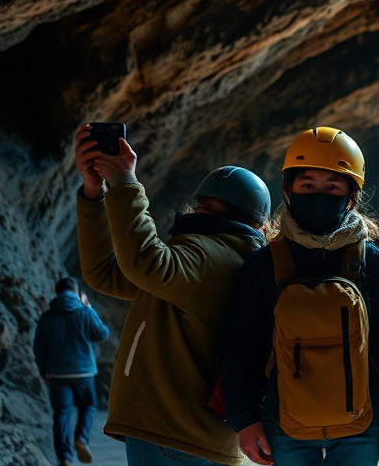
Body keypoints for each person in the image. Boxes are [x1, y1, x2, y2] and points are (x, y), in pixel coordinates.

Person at [74, 123, 271, 466]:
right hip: (204, 438)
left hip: (171, 433)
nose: (195, 212)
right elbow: (108, 273)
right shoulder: (227, 262)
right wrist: (95, 193)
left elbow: (144, 262)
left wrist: (123, 182)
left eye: (204, 207)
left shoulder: (206, 255)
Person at [221, 126, 379, 466]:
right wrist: (244, 419)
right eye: (307, 185)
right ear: (288, 190)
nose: (319, 194)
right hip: (284, 422)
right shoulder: (263, 264)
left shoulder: (371, 261)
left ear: (351, 196)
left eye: (332, 186)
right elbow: (241, 345)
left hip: (361, 423)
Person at [34, 277, 110, 466]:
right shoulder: (84, 312)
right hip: (83, 372)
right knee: (88, 406)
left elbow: (39, 348)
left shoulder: (47, 316)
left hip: (57, 374)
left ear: (56, 292)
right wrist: (89, 308)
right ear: (77, 293)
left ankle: (64, 458)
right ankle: (81, 439)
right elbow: (102, 334)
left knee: (61, 414)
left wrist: (44, 370)